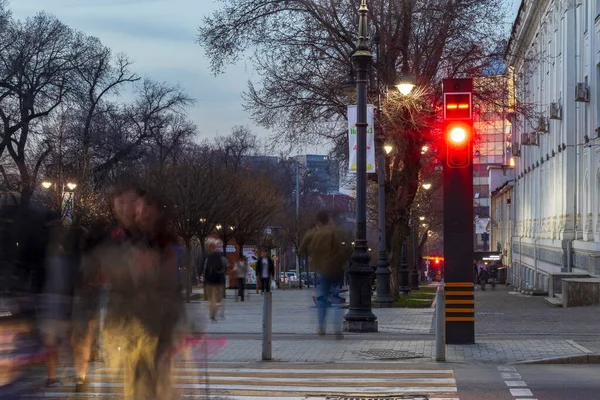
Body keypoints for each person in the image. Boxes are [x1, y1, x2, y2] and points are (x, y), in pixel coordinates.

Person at [300, 210, 348, 339]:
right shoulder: (334, 232)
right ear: (328, 220)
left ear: (318, 221)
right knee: (336, 299)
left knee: (322, 299)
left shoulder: (313, 233)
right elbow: (341, 250)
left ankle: (321, 326)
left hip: (322, 270)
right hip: (336, 270)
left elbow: (302, 248)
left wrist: (312, 256)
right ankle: (337, 328)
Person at [203, 238, 227, 321]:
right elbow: (226, 266)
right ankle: (214, 313)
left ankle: (212, 314)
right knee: (218, 300)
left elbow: (205, 269)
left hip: (210, 281)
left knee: (211, 300)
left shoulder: (207, 257)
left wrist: (205, 280)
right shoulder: (221, 256)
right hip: (219, 281)